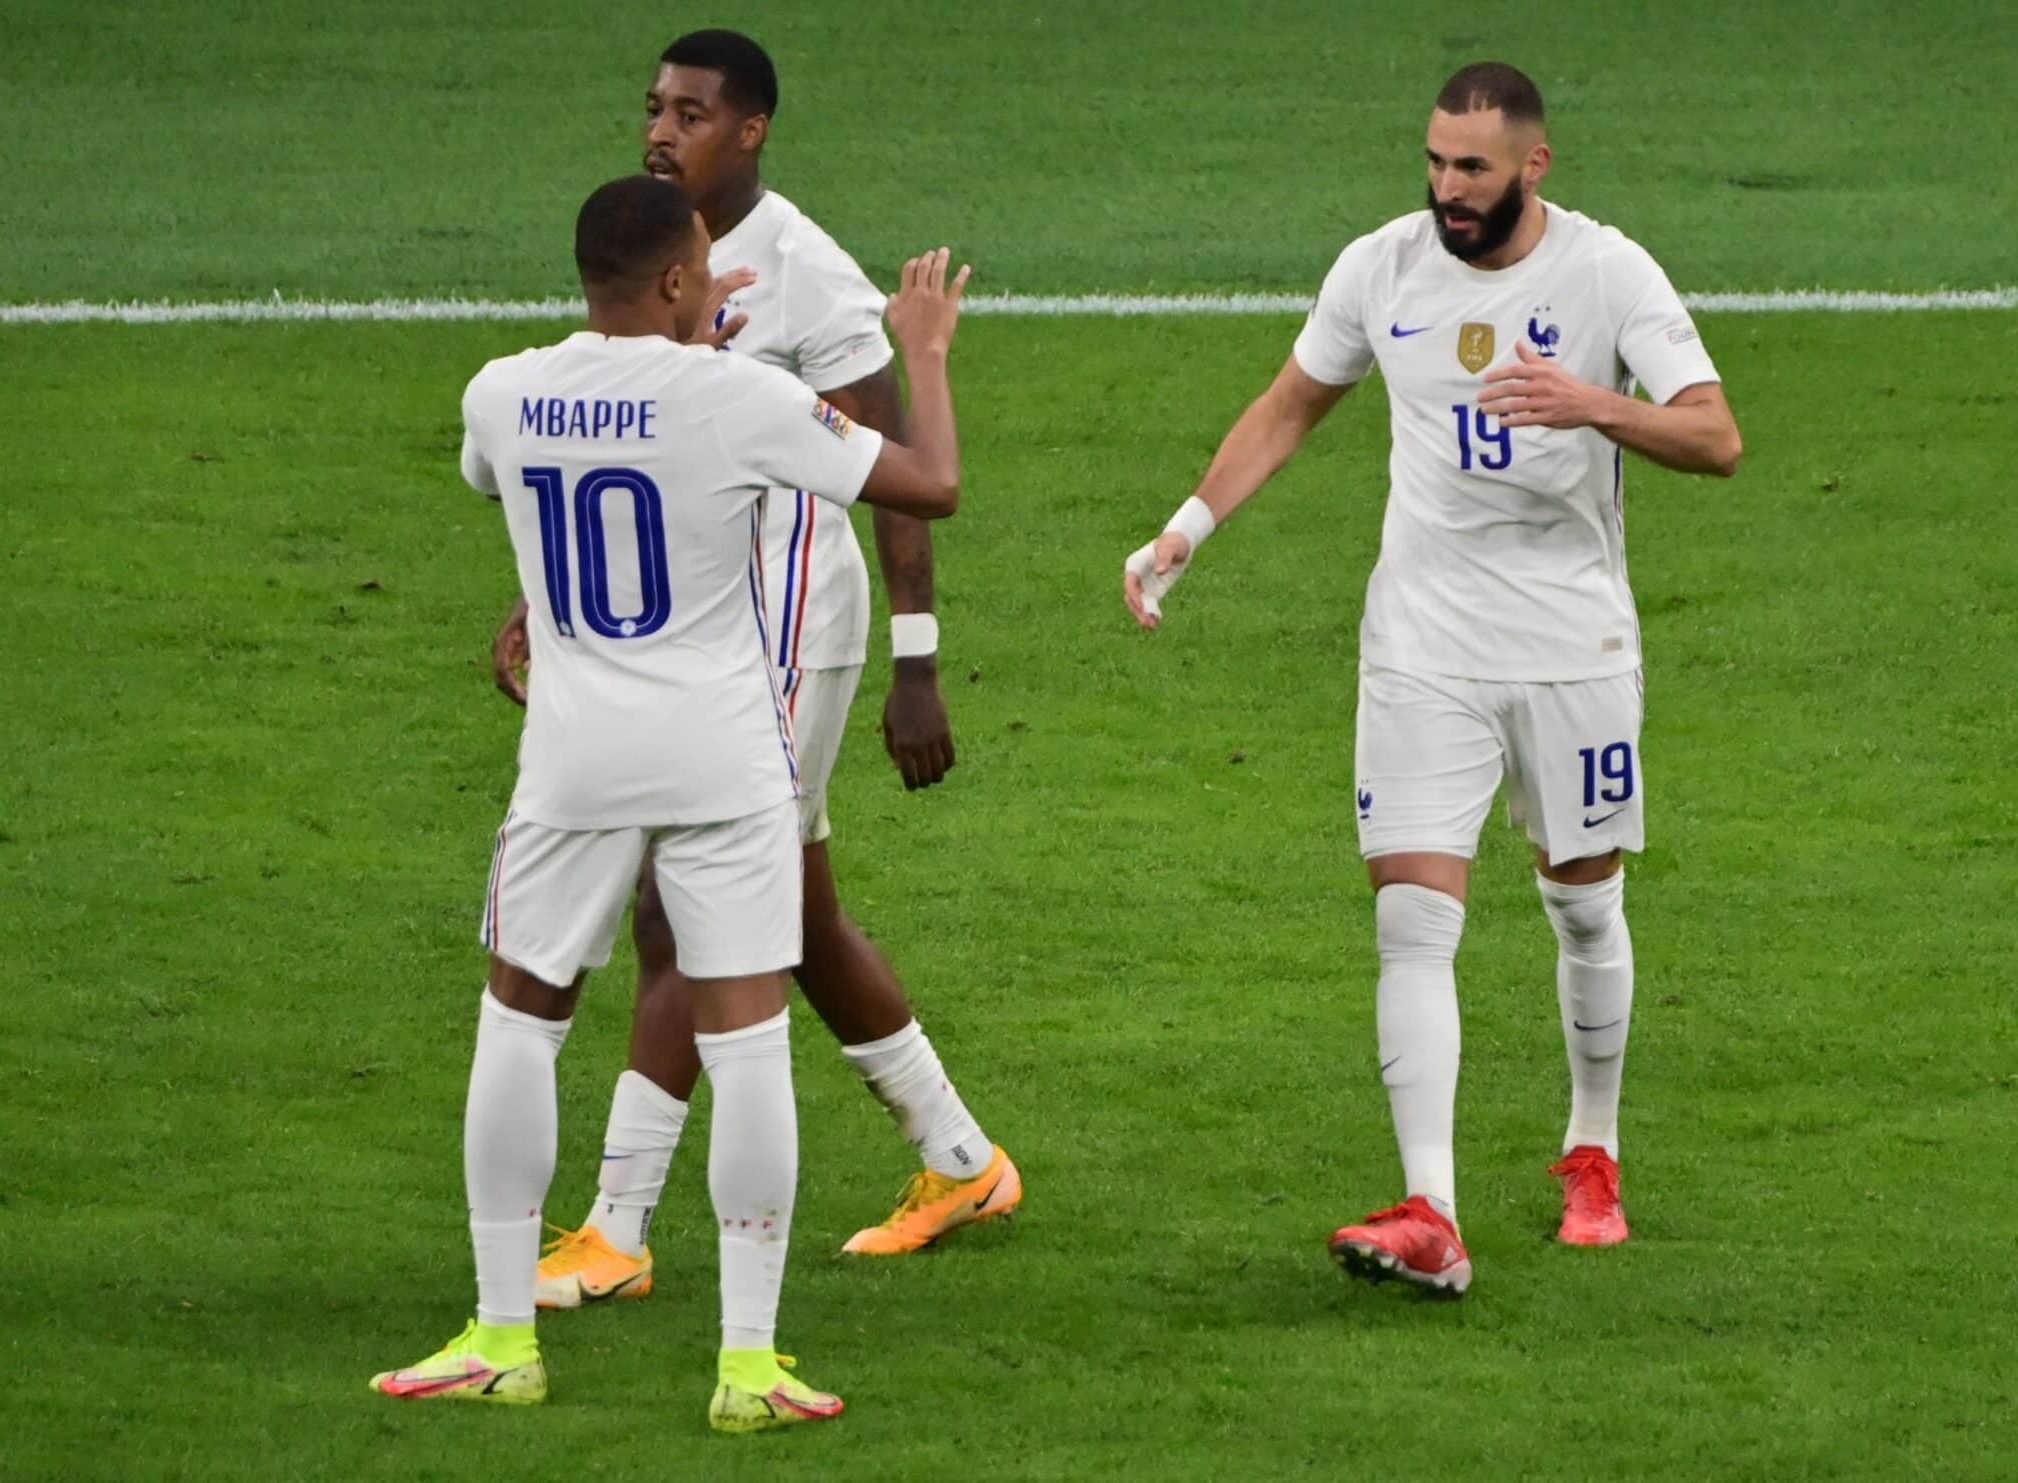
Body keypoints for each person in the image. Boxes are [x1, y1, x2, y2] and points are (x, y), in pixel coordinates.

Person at [1122, 62, 1741, 1295]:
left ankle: (1591, 1148)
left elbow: (1714, 437)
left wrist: (1589, 406)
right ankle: (1432, 1211)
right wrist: (1187, 525)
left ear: (1532, 165)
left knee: (1579, 901)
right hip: (1420, 642)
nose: (1447, 189)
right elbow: (1292, 404)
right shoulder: (1382, 266)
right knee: (1410, 914)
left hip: (1571, 645)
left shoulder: (1607, 273)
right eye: (1435, 162)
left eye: (1472, 167)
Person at [372, 173, 971, 1430]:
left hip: (574, 752)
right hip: (720, 750)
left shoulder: (502, 389)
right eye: (701, 263)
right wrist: (921, 353)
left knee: (522, 1022)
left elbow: (516, 483)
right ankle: (747, 1367)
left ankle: (497, 1333)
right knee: (746, 1038)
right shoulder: (739, 395)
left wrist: (672, 348)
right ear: (680, 281)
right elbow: (929, 484)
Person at [492, 31, 1018, 1309]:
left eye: (692, 112)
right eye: (653, 107)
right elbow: (627, 447)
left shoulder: (806, 271)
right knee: (793, 912)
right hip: (697, 625)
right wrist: (549, 595)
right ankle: (958, 1158)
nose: (661, 130)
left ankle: (614, 1227)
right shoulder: (650, 262)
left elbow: (898, 467)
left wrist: (915, 658)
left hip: (786, 626)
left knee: (686, 908)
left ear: (752, 132)